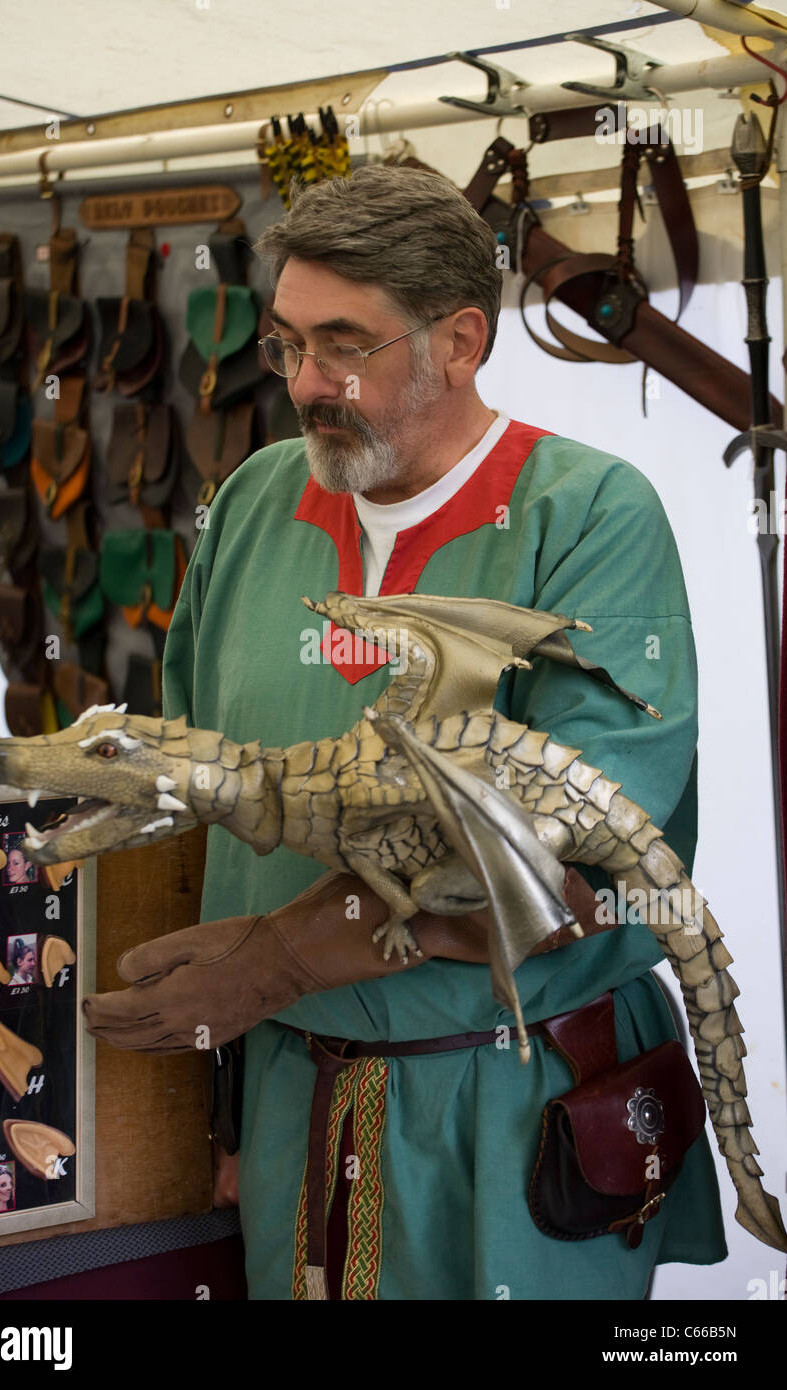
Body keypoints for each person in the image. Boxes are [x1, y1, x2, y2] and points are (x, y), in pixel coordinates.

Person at [161, 165, 726, 1299]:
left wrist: (279, 956)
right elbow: (189, 786)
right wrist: (212, 1099)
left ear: (461, 339)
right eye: (284, 343)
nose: (305, 382)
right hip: (289, 1100)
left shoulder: (586, 517)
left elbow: (561, 855)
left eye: (344, 345)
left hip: (507, 1105)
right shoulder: (258, 503)